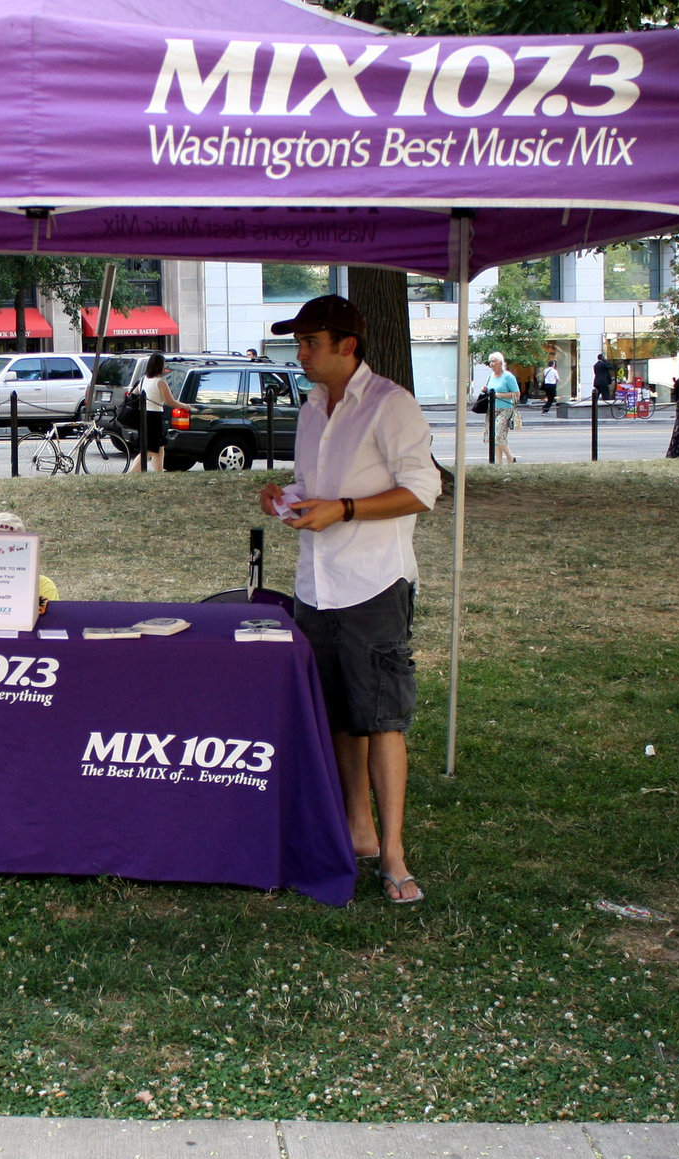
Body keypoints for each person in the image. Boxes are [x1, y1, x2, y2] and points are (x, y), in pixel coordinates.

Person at [257, 295, 441, 905]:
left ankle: (393, 855)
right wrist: (291, 496)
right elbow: (320, 487)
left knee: (383, 718)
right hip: (317, 585)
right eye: (299, 343)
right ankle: (358, 831)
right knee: (339, 712)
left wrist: (347, 510)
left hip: (373, 584)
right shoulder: (313, 408)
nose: (301, 353)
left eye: (310, 343)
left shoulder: (391, 404)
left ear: (347, 346)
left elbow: (422, 489)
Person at [133, 352, 180, 472]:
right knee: (149, 450)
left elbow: (134, 394)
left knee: (159, 447)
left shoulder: (143, 380)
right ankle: (132, 473)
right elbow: (170, 401)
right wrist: (185, 406)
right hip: (154, 417)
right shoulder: (160, 382)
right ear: (160, 366)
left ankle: (159, 472)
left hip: (144, 416)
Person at [483, 352, 520, 463]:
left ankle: (510, 457)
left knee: (498, 435)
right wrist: (484, 390)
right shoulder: (490, 376)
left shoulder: (508, 376)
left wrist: (500, 395)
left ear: (500, 362)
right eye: (490, 361)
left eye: (494, 361)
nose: (491, 364)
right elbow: (489, 390)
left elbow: (517, 394)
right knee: (493, 438)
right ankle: (498, 464)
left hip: (505, 409)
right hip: (491, 409)